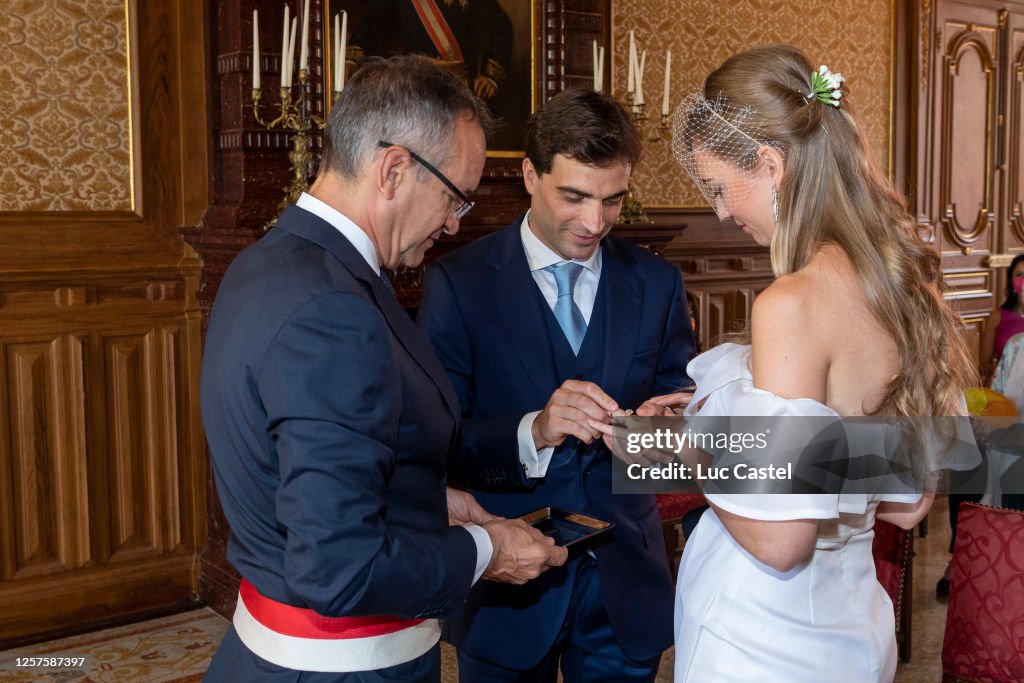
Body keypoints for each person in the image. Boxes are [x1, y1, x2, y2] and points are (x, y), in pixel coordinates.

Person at [592, 45, 977, 681]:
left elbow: (782, 539)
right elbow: (907, 504)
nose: (719, 212)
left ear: (771, 164)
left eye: (719, 188)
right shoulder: (901, 289)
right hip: (852, 631)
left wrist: (693, 447)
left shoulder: (792, 304)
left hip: (760, 638)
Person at [201, 55, 566, 682]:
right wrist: (486, 551)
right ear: (394, 169)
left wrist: (427, 503)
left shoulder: (272, 262)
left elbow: (305, 473)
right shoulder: (332, 310)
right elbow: (339, 569)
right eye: (455, 197)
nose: (455, 224)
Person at [417, 88, 696, 682]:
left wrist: (663, 436)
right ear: (529, 175)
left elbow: (683, 417)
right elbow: (435, 445)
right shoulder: (457, 285)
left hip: (627, 584)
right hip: (507, 588)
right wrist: (534, 431)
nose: (594, 222)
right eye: (574, 197)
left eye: (612, 200)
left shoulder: (658, 282)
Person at [347, 0, 513, 101]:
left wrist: (491, 77)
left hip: (459, 85)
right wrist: (351, 60)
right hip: (413, 83)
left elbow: (502, 28)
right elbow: (368, 26)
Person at [979, 254, 1024, 384]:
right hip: (1005, 387)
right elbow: (984, 363)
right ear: (1011, 281)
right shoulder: (997, 317)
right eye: (1018, 274)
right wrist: (1005, 373)